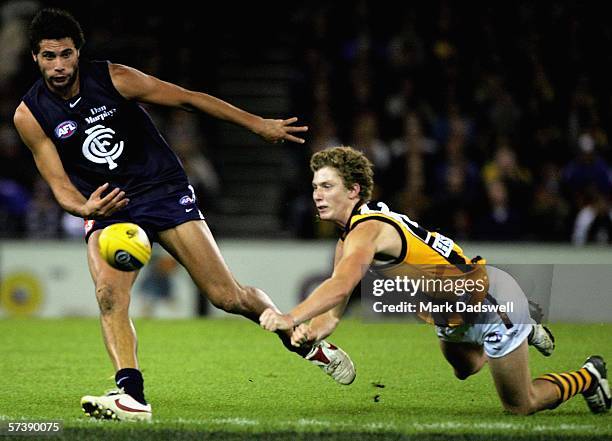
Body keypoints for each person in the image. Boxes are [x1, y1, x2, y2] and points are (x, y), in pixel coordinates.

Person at [13, 9, 355, 422]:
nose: (59, 66)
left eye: (66, 55)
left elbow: (189, 99)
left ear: (78, 52)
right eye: (49, 56)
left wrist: (255, 123)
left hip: (162, 190)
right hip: (109, 206)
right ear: (35, 57)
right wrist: (85, 208)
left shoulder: (116, 78)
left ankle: (302, 340)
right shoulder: (29, 115)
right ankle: (131, 396)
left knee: (228, 296)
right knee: (108, 296)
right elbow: (59, 185)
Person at [260, 146, 611, 415]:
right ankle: (526, 326)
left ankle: (587, 375)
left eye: (327, 186)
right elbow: (334, 313)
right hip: (451, 313)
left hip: (485, 302)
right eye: (314, 187)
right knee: (467, 367)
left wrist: (292, 317)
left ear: (353, 191)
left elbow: (338, 286)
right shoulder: (349, 238)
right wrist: (311, 332)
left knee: (521, 404)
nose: (317, 195)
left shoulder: (367, 230)